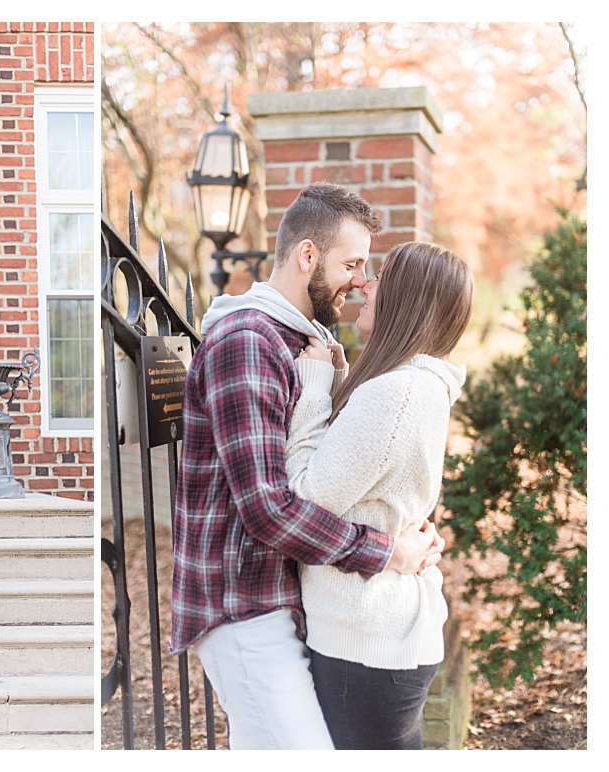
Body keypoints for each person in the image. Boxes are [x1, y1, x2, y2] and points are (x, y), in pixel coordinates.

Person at [170, 182, 443, 749]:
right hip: (242, 607)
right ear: (307, 256)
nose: (361, 282)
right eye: (352, 264)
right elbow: (268, 510)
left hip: (283, 598)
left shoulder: (304, 340)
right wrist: (387, 552)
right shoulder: (246, 341)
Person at [285, 242, 473, 749]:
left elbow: (304, 497)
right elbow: (368, 473)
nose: (366, 283)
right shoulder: (411, 385)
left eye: (382, 276)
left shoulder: (397, 394)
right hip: (383, 635)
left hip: (365, 640)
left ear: (408, 299)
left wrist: (315, 384)